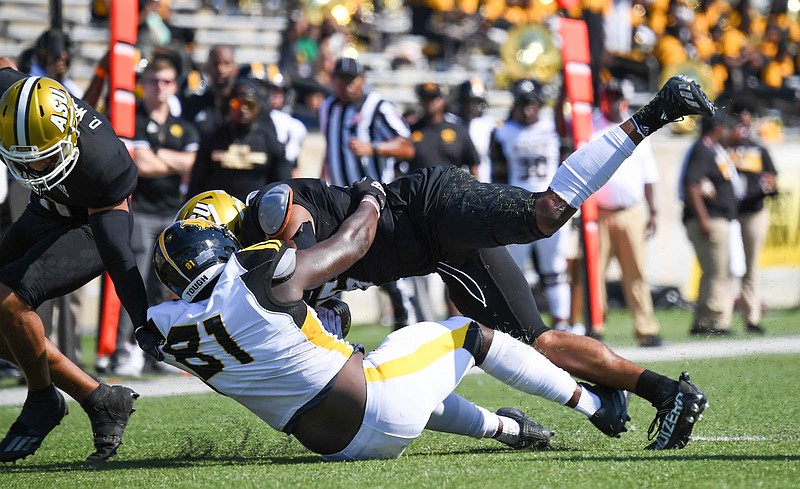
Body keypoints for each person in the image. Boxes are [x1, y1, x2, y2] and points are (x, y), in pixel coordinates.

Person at [183, 75, 717, 450]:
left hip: (427, 206)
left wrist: (364, 208)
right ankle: (665, 393)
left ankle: (657, 110)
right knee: (537, 345)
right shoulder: (260, 269)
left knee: (548, 213)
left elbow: (330, 243)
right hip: (433, 253)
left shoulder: (269, 212)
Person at [141, 205, 638, 460]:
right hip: (378, 404)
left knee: (401, 374)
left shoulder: (168, 332)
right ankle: (600, 408)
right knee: (469, 334)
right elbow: (352, 243)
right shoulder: (251, 275)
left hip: (332, 445)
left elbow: (152, 328)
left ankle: (511, 429)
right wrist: (369, 198)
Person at [0, 59, 141, 462]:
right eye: (20, 157)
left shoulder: (103, 162)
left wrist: (143, 321)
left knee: (10, 300)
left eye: (41, 158)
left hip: (92, 225)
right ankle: (99, 397)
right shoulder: (8, 99)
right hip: (47, 207)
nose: (30, 167)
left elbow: (117, 252)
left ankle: (43, 397)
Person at [112, 57, 200, 377]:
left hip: (173, 211)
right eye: (153, 81)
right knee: (135, 281)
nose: (159, 87)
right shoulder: (132, 120)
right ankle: (128, 349)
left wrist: (156, 154)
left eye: (165, 81)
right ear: (143, 84)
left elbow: (192, 163)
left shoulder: (183, 124)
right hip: (142, 209)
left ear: (174, 85)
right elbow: (139, 164)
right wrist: (171, 160)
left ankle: (166, 349)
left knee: (170, 284)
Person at [319, 56, 417, 330]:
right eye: (341, 80)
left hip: (376, 201)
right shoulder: (328, 107)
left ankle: (405, 331)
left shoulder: (377, 106)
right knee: (330, 270)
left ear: (362, 80)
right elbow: (330, 150)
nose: (346, 86)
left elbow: (407, 147)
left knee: (391, 271)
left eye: (351, 81)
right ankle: (331, 338)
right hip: (338, 203)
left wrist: (373, 148)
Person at [491, 78, 572, 332]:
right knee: (514, 271)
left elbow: (568, 163)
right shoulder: (503, 132)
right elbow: (499, 176)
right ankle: (519, 325)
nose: (527, 109)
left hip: (552, 205)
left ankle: (562, 323)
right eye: (522, 103)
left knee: (555, 269)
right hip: (519, 205)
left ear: (540, 104)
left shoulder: (554, 128)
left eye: (532, 103)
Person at [592, 80, 663, 347]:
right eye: (609, 97)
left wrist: (653, 210)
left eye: (617, 97)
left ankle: (646, 329)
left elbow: (648, 174)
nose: (613, 102)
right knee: (594, 272)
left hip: (631, 210)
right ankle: (595, 327)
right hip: (598, 211)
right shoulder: (591, 125)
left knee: (636, 272)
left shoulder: (638, 127)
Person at [681, 113, 741, 336]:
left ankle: (702, 321)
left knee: (713, 272)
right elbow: (691, 185)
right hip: (711, 220)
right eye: (724, 127)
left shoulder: (711, 150)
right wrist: (704, 218)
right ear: (715, 128)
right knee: (718, 272)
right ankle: (714, 322)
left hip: (715, 219)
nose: (726, 131)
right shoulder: (703, 151)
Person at [186, 78, 292, 203]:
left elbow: (283, 186)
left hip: (257, 212)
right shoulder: (213, 140)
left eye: (249, 104)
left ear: (258, 107)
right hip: (218, 211)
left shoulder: (269, 142)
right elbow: (196, 184)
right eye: (237, 104)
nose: (243, 109)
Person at [727, 106, 777, 334]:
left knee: (751, 267)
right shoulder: (724, 148)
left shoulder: (758, 149)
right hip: (729, 214)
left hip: (754, 211)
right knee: (727, 267)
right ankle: (722, 319)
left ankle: (751, 317)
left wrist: (768, 183)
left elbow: (772, 177)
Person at [407, 82, 479, 176]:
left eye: (434, 98)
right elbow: (398, 166)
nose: (430, 103)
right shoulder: (410, 131)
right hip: (419, 189)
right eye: (426, 99)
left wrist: (476, 189)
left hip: (450, 188)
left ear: (443, 100)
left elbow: (473, 165)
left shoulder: (459, 131)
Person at [180, 44, 238, 139]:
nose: (221, 69)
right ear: (207, 68)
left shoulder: (243, 104)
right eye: (216, 64)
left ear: (235, 69)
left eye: (226, 64)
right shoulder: (193, 104)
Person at [454, 78, 498, 183]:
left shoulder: (490, 125)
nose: (472, 106)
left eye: (477, 102)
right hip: (456, 183)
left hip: (484, 182)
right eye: (469, 101)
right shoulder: (451, 122)